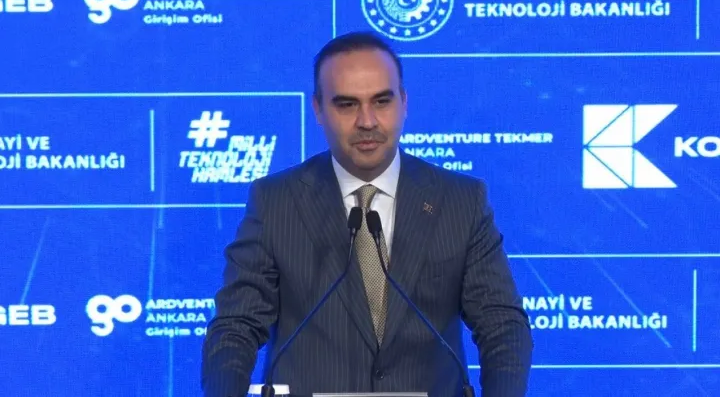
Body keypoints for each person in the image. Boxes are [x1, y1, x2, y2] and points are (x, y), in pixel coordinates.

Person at [201, 31, 533, 397]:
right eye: (347, 105)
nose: (367, 121)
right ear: (318, 109)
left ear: (404, 102)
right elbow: (236, 327)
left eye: (382, 101)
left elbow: (502, 325)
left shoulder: (460, 201)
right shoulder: (276, 201)